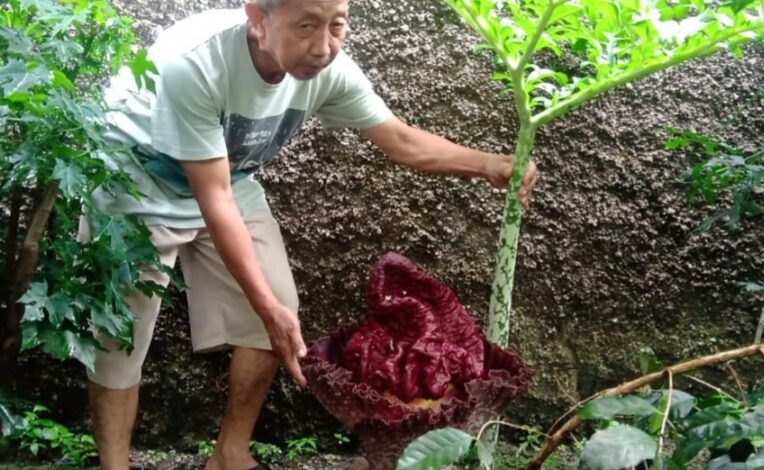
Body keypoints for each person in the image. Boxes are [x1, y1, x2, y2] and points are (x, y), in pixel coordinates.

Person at [84, 0, 539, 468]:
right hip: (135, 179)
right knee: (121, 338)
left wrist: (488, 165)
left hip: (228, 178)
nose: (323, 47)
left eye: (336, 25)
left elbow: (399, 140)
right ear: (259, 21)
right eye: (306, 26)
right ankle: (113, 464)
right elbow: (212, 198)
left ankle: (230, 456)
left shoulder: (330, 69)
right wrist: (267, 310)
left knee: (279, 307)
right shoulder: (197, 64)